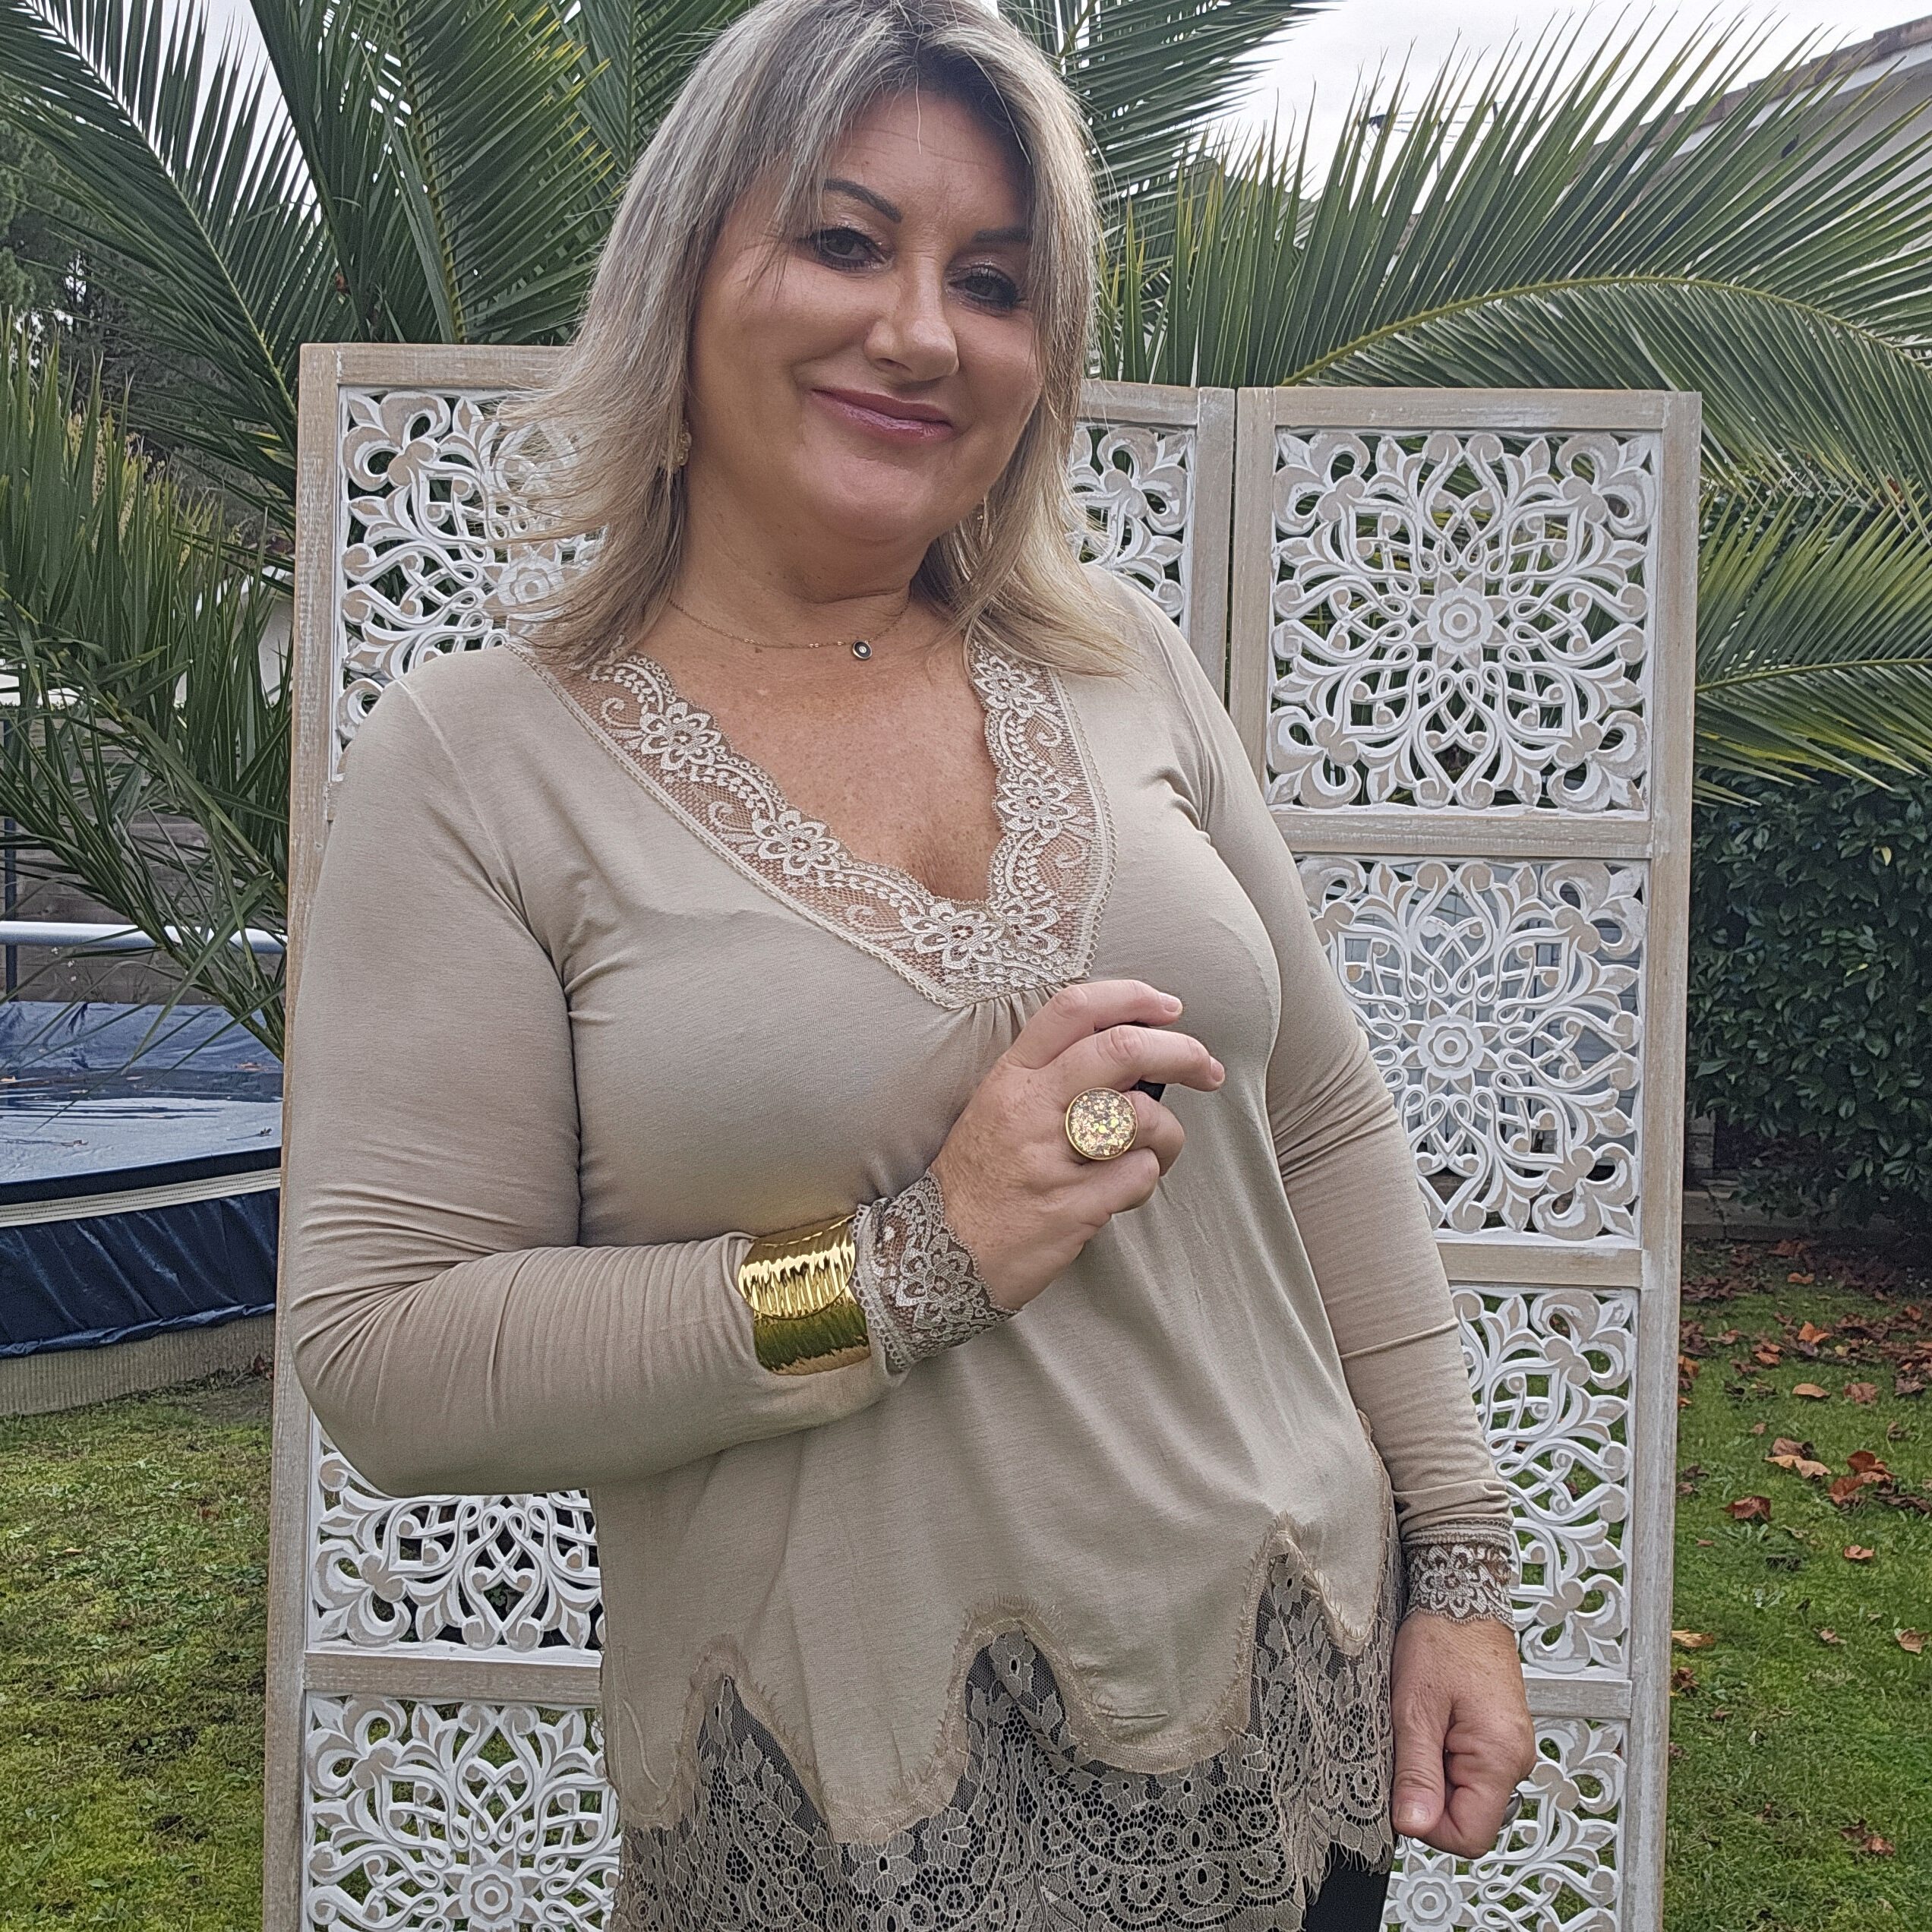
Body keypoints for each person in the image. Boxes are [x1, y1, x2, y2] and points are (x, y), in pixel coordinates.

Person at [280, 0, 1537, 1924]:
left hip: (1294, 1735)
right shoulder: (481, 761)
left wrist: (1460, 1566)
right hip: (848, 1815)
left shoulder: (1118, 657)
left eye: (998, 282)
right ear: (684, 274)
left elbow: (1326, 1124)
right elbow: (389, 1358)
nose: (925, 333)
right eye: (846, 241)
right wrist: (896, 1274)